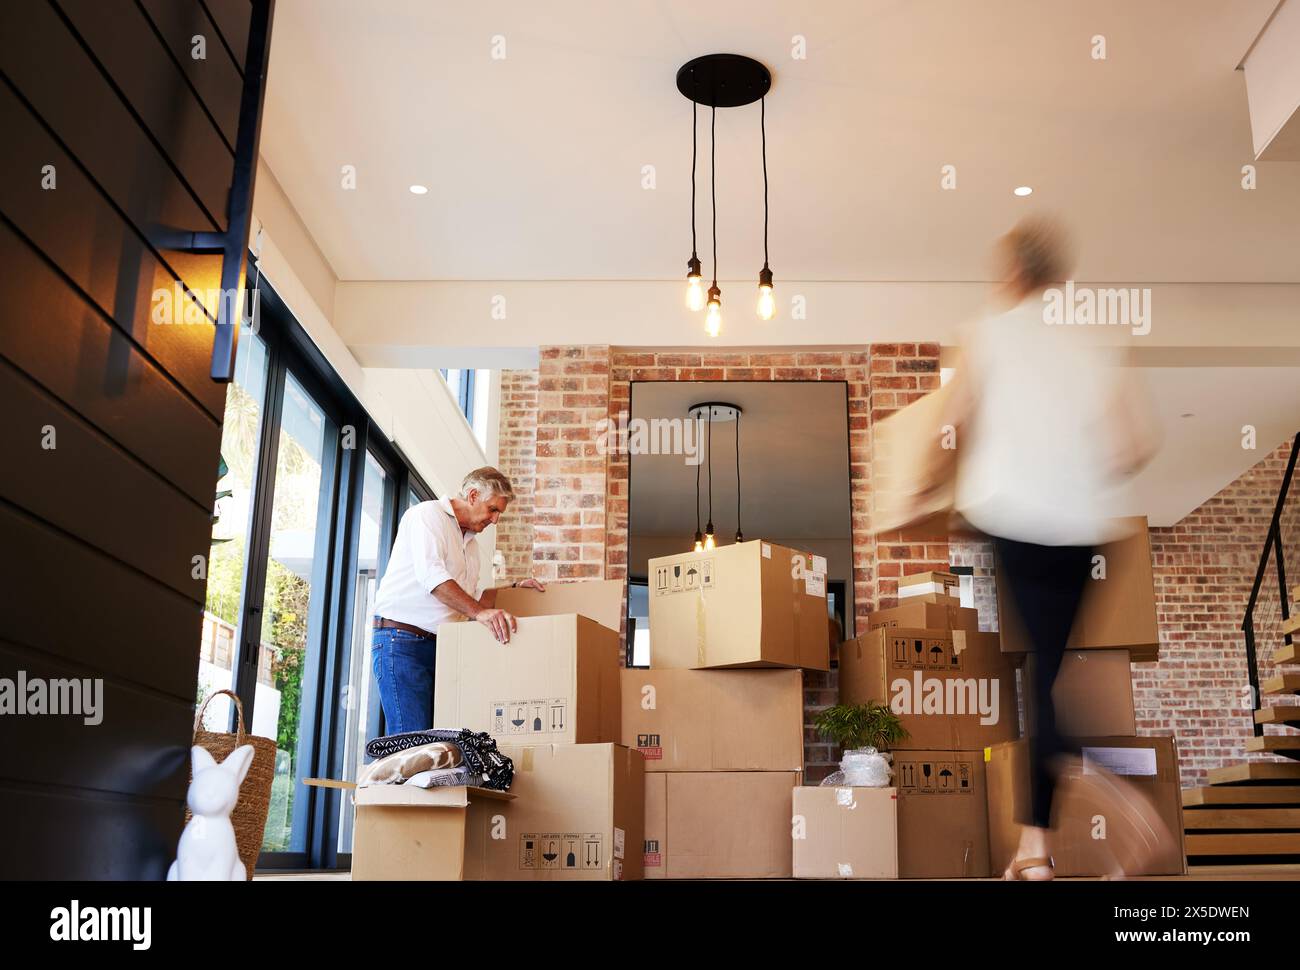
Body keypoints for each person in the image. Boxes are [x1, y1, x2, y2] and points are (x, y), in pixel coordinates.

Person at [940, 217, 1161, 880]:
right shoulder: (1092, 346)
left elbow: (950, 426)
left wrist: (936, 496)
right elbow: (1134, 447)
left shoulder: (988, 334)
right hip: (1083, 533)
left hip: (1013, 521)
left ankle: (1115, 796)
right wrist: (1078, 474)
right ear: (1059, 277)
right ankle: (1034, 852)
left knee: (1040, 681)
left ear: (1012, 273)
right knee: (1045, 676)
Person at [370, 466, 545, 736]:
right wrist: (479, 613)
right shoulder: (427, 516)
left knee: (440, 746)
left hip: (443, 649)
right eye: (493, 509)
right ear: (473, 495)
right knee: (413, 743)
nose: (495, 520)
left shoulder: (472, 545)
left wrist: (513, 589)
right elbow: (434, 579)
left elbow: (470, 601)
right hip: (402, 643)